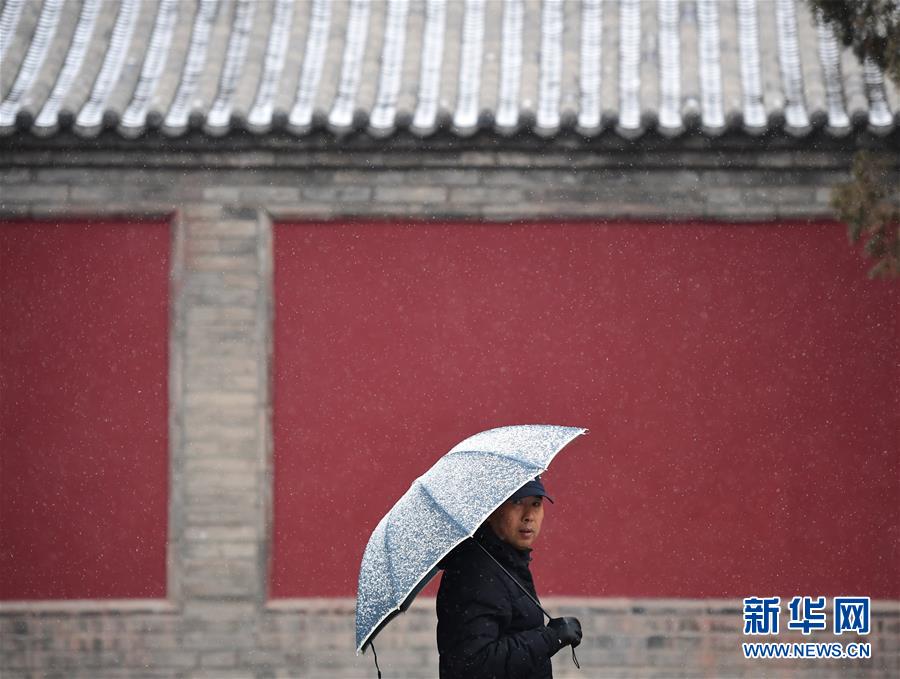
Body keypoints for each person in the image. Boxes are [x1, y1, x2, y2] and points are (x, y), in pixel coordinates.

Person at [436, 476, 583, 679]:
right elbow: (474, 665)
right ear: (491, 511)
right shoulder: (477, 573)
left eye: (536, 504)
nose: (529, 516)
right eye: (517, 503)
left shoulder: (505, 562)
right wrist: (551, 637)